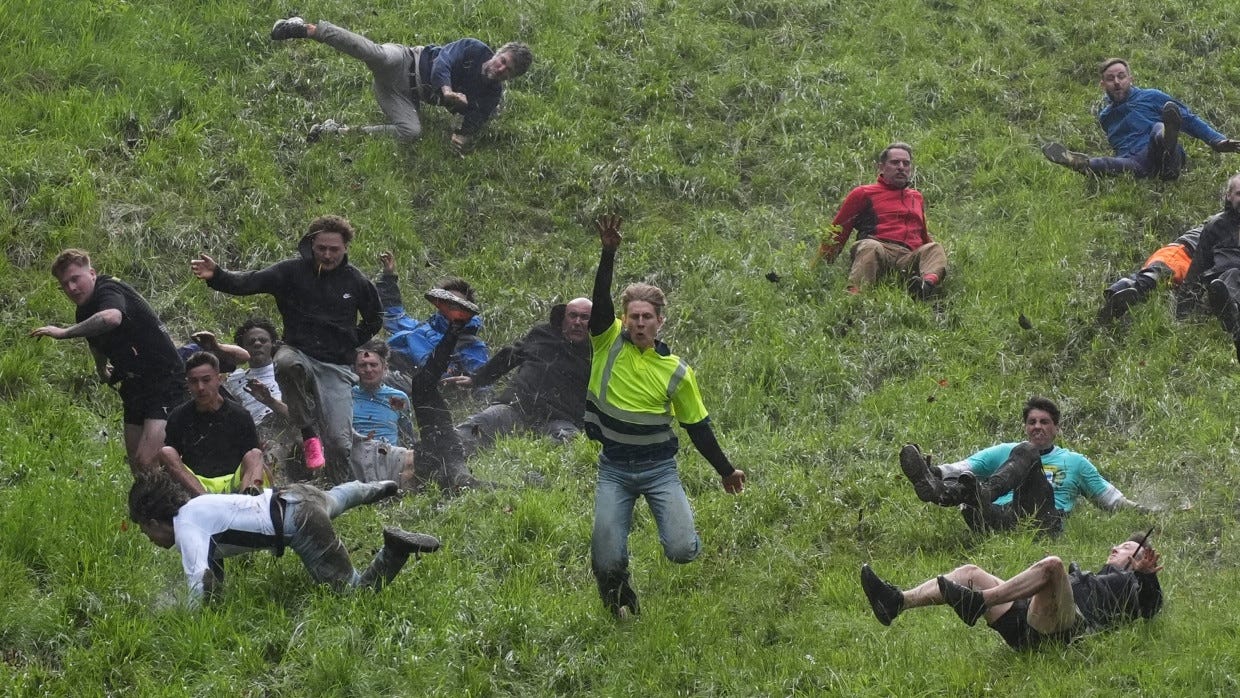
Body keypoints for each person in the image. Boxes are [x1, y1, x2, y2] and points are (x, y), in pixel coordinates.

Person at [586, 215, 746, 619]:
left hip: (659, 469)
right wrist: (608, 253)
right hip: (614, 469)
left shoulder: (677, 371)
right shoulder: (607, 343)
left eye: (647, 317)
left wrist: (726, 471)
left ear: (660, 321)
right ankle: (621, 596)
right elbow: (600, 300)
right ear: (624, 319)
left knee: (681, 551)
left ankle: (682, 537)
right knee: (605, 557)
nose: (639, 323)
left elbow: (697, 427)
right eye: (633, 316)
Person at [190, 215, 382, 482]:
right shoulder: (290, 272)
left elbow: (375, 319)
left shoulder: (357, 282)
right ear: (311, 245)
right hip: (298, 350)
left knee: (339, 442)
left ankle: (340, 487)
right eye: (321, 248)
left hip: (334, 364)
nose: (327, 255)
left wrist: (349, 340)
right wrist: (218, 276)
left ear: (346, 248)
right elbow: (250, 282)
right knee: (284, 363)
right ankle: (307, 431)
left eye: (334, 249)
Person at [129, 472, 440, 605]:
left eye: (146, 532)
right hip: (294, 494)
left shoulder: (186, 530)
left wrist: (194, 620)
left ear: (154, 521)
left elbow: (200, 577)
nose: (150, 540)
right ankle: (377, 486)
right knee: (335, 499)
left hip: (299, 523)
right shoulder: (199, 507)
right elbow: (215, 567)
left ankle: (395, 550)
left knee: (354, 595)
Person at [268, 16, 533, 153]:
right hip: (405, 60)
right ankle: (305, 29)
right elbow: (443, 61)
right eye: (502, 60)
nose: (499, 69)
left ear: (510, 78)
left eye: (507, 71)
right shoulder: (474, 48)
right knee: (375, 53)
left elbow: (478, 117)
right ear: (498, 52)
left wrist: (462, 135)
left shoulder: (492, 94)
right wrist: (447, 92)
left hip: (402, 96)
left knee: (411, 132)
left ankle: (337, 131)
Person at [859, 531, 1163, 650]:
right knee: (968, 573)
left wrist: (1148, 577)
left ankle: (978, 603)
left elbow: (1152, 608)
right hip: (1028, 620)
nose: (1114, 546)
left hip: (1062, 633)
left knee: (1052, 565)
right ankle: (896, 602)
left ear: (1140, 558)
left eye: (1124, 547)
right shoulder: (1095, 576)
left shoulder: (1131, 585)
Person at [30, 249, 185, 475]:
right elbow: (95, 342)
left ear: (92, 273)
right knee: (137, 468)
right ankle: (151, 508)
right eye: (65, 284)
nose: (71, 288)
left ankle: (184, 504)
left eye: (76, 279)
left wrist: (63, 333)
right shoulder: (84, 311)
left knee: (148, 461)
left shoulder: (108, 288)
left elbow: (111, 318)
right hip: (134, 385)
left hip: (166, 380)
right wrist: (101, 368)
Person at [898, 396, 1150, 535]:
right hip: (997, 517)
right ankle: (941, 491)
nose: (1037, 426)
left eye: (1044, 422)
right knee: (969, 484)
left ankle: (978, 493)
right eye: (1032, 422)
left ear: (1056, 428)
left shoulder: (1075, 462)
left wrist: (1152, 512)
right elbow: (962, 467)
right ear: (1025, 427)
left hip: (1043, 521)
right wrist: (934, 473)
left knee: (1027, 453)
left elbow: (1113, 501)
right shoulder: (1005, 451)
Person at [1042, 58, 1239, 180]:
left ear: (1130, 79)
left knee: (1157, 129)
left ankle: (1169, 135)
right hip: (1136, 164)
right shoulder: (1106, 117)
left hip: (1163, 154)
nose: (1117, 82)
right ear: (1103, 84)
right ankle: (1076, 162)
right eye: (1111, 79)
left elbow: (1189, 118)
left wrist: (1216, 141)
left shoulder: (1151, 96)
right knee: (1108, 163)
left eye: (1121, 76)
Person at [451, 297, 593, 455]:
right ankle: (439, 455)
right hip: (516, 407)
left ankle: (532, 472)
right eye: (573, 315)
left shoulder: (597, 353)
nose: (578, 322)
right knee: (477, 425)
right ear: (563, 318)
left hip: (560, 419)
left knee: (568, 444)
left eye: (585, 317)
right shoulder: (542, 334)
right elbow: (509, 355)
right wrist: (476, 379)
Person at [817, 142, 948, 299]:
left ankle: (924, 287)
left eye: (906, 163)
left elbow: (922, 235)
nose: (901, 167)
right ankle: (854, 297)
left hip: (907, 257)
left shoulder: (916, 197)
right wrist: (819, 268)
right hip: (878, 251)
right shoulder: (863, 193)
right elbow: (838, 231)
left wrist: (932, 258)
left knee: (934, 247)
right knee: (870, 246)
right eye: (895, 162)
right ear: (881, 167)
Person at [159, 352, 268, 496]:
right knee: (166, 452)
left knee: (255, 454)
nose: (200, 387)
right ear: (187, 384)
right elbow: (172, 463)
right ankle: (207, 502)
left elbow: (252, 460)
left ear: (219, 379)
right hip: (197, 485)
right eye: (194, 381)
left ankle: (246, 503)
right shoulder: (178, 416)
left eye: (206, 380)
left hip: (233, 483)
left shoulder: (240, 415)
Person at [376, 252, 488, 378]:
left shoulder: (469, 343)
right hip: (380, 366)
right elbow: (394, 316)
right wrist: (388, 276)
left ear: (467, 308)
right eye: (446, 301)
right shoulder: (422, 327)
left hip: (411, 382)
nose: (450, 305)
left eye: (456, 303)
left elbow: (480, 379)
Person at [223, 318, 301, 480]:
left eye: (263, 340)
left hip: (286, 426)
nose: (257, 344)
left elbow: (300, 417)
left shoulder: (287, 371)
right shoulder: (233, 380)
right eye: (251, 342)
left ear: (273, 344)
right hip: (254, 431)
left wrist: (269, 400)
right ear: (243, 348)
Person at [1177, 173, 1240, 359]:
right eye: (1239, 194)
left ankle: (1232, 311)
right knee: (1229, 277)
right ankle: (1230, 308)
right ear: (1228, 196)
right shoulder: (1215, 226)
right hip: (1223, 279)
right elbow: (1198, 266)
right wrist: (1183, 313)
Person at [1097, 222, 1202, 323]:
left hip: (1178, 255)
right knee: (1156, 276)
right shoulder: (1215, 226)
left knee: (1153, 280)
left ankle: (1117, 294)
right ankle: (1124, 293)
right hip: (1181, 254)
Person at [351, 340, 416, 486]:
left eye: (373, 365)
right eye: (363, 365)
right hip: (356, 459)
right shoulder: (347, 396)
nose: (368, 370)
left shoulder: (398, 398)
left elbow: (407, 436)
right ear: (355, 369)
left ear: (385, 368)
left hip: (390, 457)